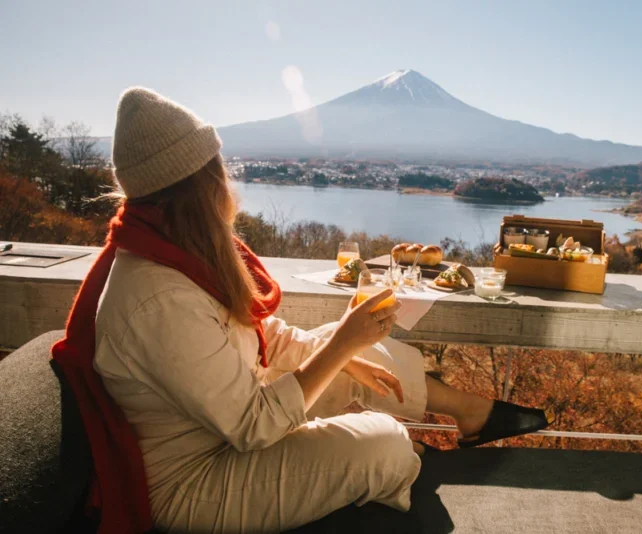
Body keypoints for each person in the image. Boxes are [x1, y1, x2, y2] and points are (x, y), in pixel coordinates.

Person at [52, 87, 550, 533]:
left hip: (222, 429)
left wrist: (343, 349)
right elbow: (254, 427)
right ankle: (395, 460)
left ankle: (469, 417)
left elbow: (261, 330)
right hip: (195, 479)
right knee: (385, 444)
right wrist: (339, 348)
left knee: (364, 354)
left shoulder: (175, 250)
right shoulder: (158, 296)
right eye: (219, 173)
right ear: (202, 185)